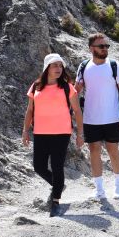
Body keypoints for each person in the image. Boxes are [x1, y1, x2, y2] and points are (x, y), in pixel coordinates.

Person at [22, 53, 82, 217]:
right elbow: (30, 110)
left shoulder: (67, 87)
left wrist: (80, 134)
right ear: (47, 67)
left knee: (57, 166)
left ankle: (56, 201)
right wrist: (25, 131)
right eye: (55, 65)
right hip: (40, 132)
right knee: (39, 167)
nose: (58, 68)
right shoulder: (36, 86)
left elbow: (77, 111)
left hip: (61, 133)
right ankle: (58, 186)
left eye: (60, 65)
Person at [75, 32, 119, 200]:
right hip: (91, 118)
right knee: (94, 151)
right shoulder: (84, 66)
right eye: (101, 46)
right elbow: (75, 90)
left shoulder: (115, 65)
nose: (105, 48)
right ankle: (99, 189)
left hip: (113, 117)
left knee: (113, 150)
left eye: (107, 46)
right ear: (91, 48)